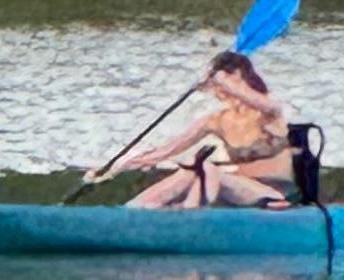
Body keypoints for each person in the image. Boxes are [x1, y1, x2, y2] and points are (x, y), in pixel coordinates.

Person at [106, 48, 298, 210]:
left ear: (245, 78)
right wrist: (123, 164)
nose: (223, 89)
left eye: (234, 80)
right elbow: (166, 151)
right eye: (218, 84)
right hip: (237, 190)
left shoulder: (269, 113)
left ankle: (191, 211)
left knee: (208, 168)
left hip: (274, 193)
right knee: (189, 172)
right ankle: (133, 209)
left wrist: (223, 80)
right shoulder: (216, 121)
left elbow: (258, 101)